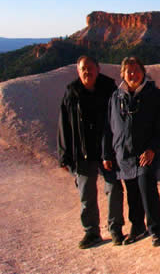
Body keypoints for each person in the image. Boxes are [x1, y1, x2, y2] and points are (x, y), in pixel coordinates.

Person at [57, 55, 125, 248]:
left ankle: (115, 229)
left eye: (90, 68)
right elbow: (64, 124)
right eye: (83, 69)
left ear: (98, 69)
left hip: (107, 150)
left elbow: (118, 120)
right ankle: (91, 232)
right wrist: (64, 154)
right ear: (78, 72)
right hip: (83, 151)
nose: (87, 71)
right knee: (86, 193)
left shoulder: (109, 89)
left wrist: (118, 148)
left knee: (114, 189)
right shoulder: (72, 93)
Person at [103, 56, 160, 247]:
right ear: (122, 74)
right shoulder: (116, 97)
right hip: (123, 153)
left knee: (147, 187)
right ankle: (137, 227)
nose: (133, 74)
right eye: (129, 71)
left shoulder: (154, 94)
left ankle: (155, 229)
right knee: (132, 192)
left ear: (143, 72)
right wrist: (107, 153)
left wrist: (153, 149)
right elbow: (109, 127)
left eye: (136, 70)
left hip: (146, 152)